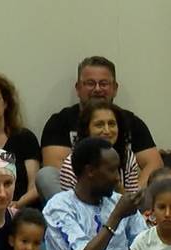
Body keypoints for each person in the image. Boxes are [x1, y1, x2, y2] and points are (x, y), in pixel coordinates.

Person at [39, 56, 162, 196]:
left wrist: (133, 197)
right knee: (45, 176)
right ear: (78, 88)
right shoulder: (60, 121)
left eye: (104, 83)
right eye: (90, 83)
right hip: (76, 197)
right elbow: (56, 169)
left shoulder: (130, 124)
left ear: (115, 88)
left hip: (124, 199)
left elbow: (154, 164)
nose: (97, 89)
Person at [0, 73, 41, 208]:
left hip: (21, 213)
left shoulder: (25, 138)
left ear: (5, 102)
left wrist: (17, 205)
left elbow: (34, 187)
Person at [58, 99, 141, 196]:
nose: (107, 130)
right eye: (99, 125)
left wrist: (117, 187)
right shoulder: (70, 165)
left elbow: (132, 202)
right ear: (86, 129)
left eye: (111, 124)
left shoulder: (128, 157)